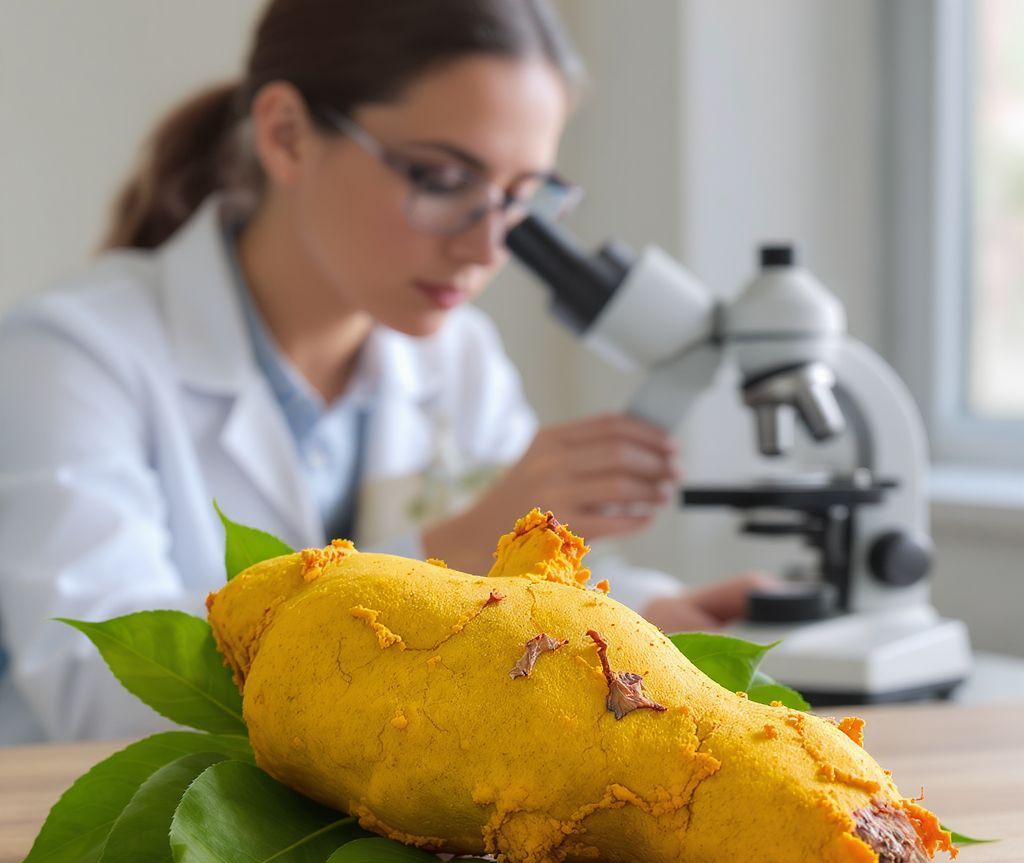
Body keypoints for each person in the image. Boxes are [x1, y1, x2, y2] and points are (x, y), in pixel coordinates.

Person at [0, 0, 765, 744]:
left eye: (520, 200)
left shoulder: (456, 356)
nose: (484, 248)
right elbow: (99, 690)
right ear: (288, 135)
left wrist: (654, 621)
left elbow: (530, 608)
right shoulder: (69, 354)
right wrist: (457, 550)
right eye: (440, 178)